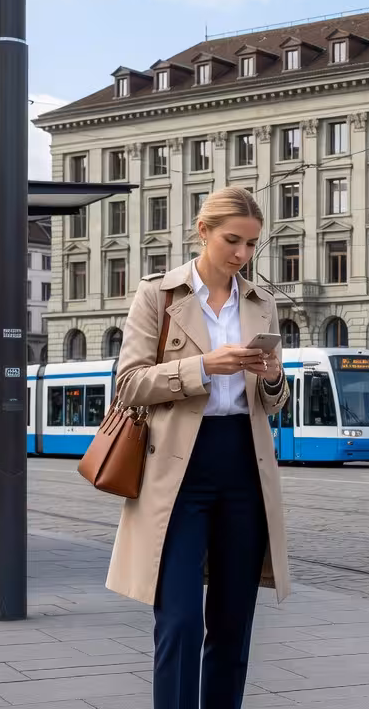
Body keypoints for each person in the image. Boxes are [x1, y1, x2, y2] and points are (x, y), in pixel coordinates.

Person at [105, 186, 291, 709]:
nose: (242, 254)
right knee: (181, 620)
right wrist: (204, 366)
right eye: (233, 240)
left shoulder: (262, 303)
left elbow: (273, 403)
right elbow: (128, 384)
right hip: (176, 472)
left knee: (233, 624)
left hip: (245, 467)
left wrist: (272, 376)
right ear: (203, 231)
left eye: (251, 244)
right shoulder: (158, 296)